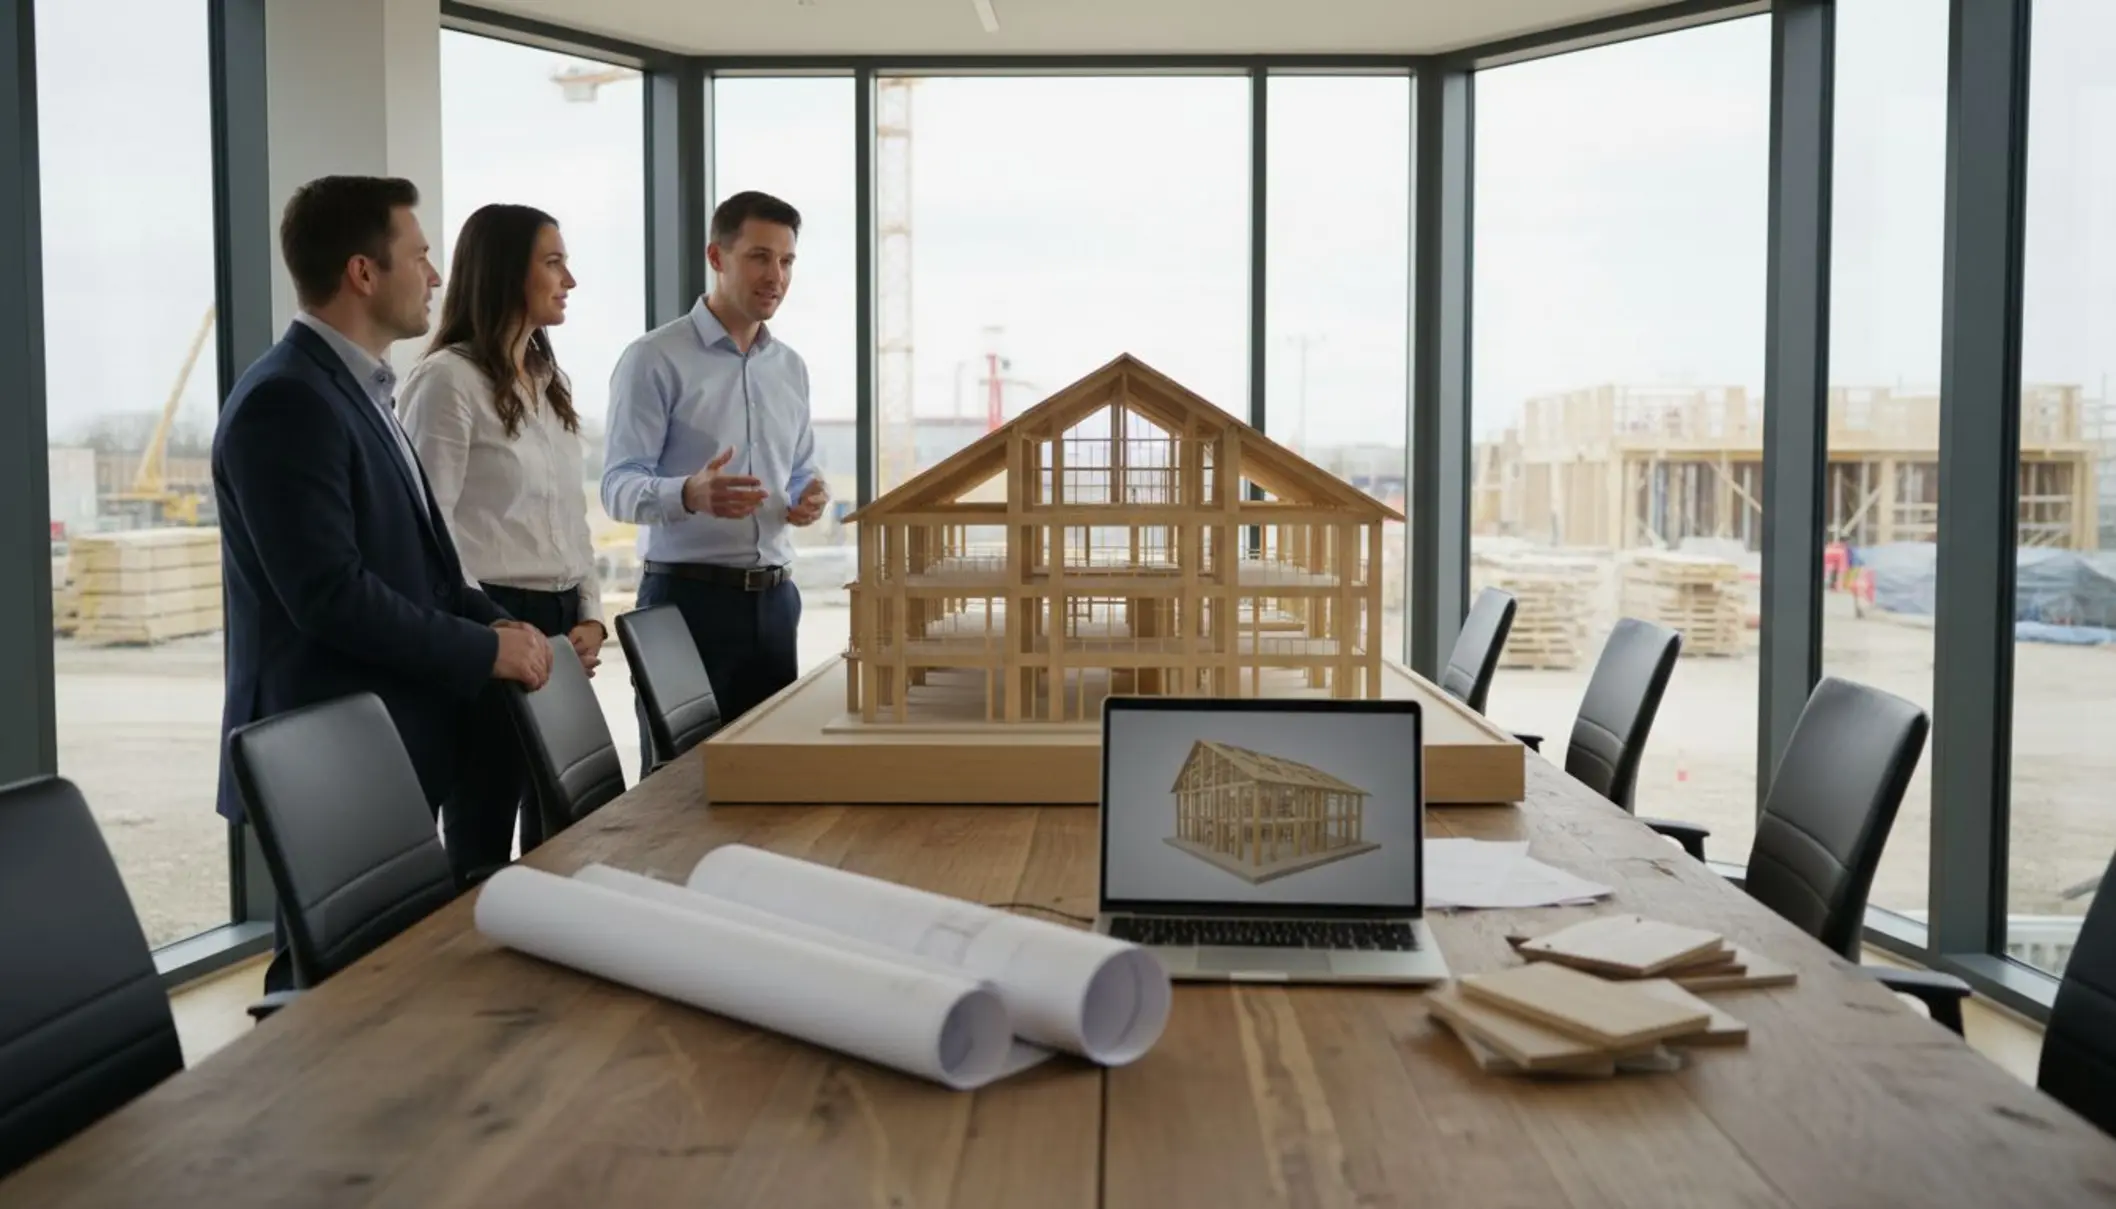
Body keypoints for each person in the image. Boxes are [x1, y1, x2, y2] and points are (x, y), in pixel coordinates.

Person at [212, 175, 553, 987]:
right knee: (327, 997)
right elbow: (330, 595)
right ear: (364, 273)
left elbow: (425, 563)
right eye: (421, 255)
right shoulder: (287, 401)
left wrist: (498, 623)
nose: (435, 277)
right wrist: (482, 650)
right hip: (327, 753)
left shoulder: (361, 390)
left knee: (381, 983)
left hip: (382, 740)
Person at [398, 202, 605, 862]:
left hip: (559, 619)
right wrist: (493, 630)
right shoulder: (447, 381)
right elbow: (428, 532)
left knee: (562, 835)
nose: (569, 280)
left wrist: (591, 616)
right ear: (505, 272)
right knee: (481, 840)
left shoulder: (549, 381)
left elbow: (570, 516)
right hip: (489, 621)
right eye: (554, 263)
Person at [602, 190, 826, 765]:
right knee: (673, 786)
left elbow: (801, 468)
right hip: (685, 604)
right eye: (759, 257)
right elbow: (617, 486)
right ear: (716, 256)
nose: (776, 276)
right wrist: (688, 493)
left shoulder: (791, 368)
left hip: (775, 603)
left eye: (786, 261)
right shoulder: (653, 358)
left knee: (770, 777)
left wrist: (808, 494)